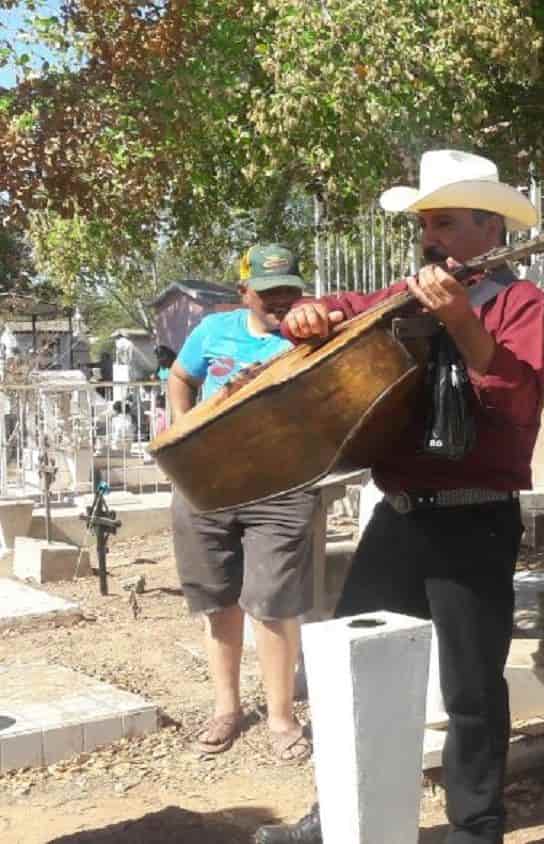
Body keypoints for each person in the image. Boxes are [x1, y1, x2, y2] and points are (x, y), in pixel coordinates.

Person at [259, 149, 544, 844]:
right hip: (396, 517)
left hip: (474, 520)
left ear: (490, 229)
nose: (431, 236)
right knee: (352, 671)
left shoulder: (523, 304)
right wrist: (312, 311)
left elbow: (515, 400)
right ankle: (340, 812)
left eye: (447, 222)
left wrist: (462, 321)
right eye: (427, 222)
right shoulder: (404, 294)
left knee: (472, 687)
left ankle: (476, 827)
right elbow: (344, 309)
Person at [168, 243, 320, 763]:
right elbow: (181, 378)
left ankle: (281, 717)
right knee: (217, 598)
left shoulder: (311, 334)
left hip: (280, 486)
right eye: (269, 290)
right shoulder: (213, 331)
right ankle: (226, 709)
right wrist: (184, 427)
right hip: (206, 482)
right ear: (244, 292)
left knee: (274, 601)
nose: (281, 300)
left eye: (289, 289)